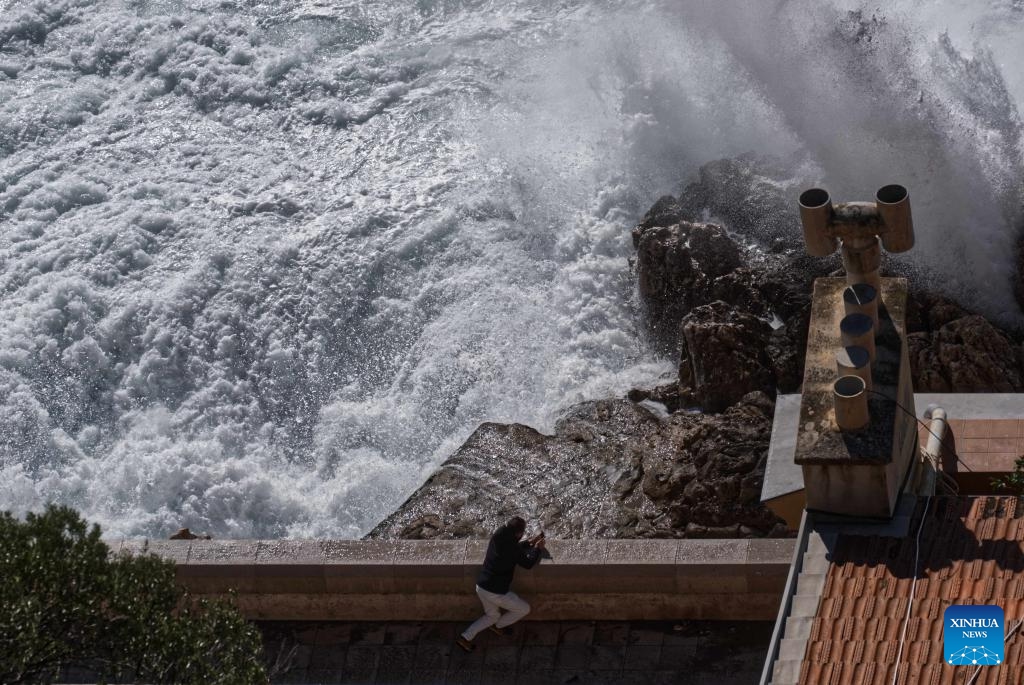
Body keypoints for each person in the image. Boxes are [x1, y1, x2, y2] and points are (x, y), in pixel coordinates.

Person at [455, 516, 545, 652]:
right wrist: (537, 548)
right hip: (495, 592)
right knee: (524, 609)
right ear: (518, 533)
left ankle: (465, 637)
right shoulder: (512, 549)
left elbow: (514, 547)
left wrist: (529, 542)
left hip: (481, 586)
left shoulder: (498, 535)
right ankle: (498, 626)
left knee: (492, 615)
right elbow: (528, 564)